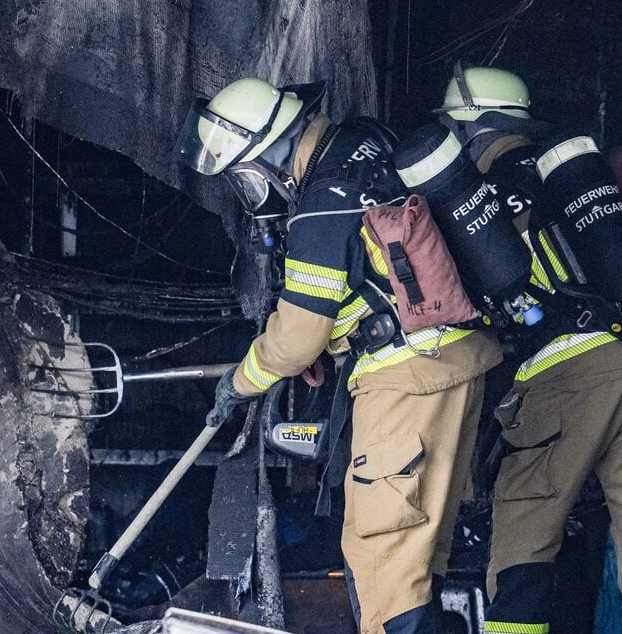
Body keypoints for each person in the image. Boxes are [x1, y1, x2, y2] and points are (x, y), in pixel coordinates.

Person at [177, 77, 502, 633]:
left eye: (246, 177)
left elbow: (295, 338)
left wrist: (242, 381)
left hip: (404, 381)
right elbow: (375, 275)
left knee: (384, 560)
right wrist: (332, 343)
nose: (252, 192)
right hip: (455, 361)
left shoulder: (320, 206)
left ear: (271, 155)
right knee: (421, 556)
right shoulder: (365, 147)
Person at [434, 64, 622, 634]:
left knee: (527, 526)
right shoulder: (581, 170)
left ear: (465, 129)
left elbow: (456, 304)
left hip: (566, 370)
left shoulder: (469, 198)